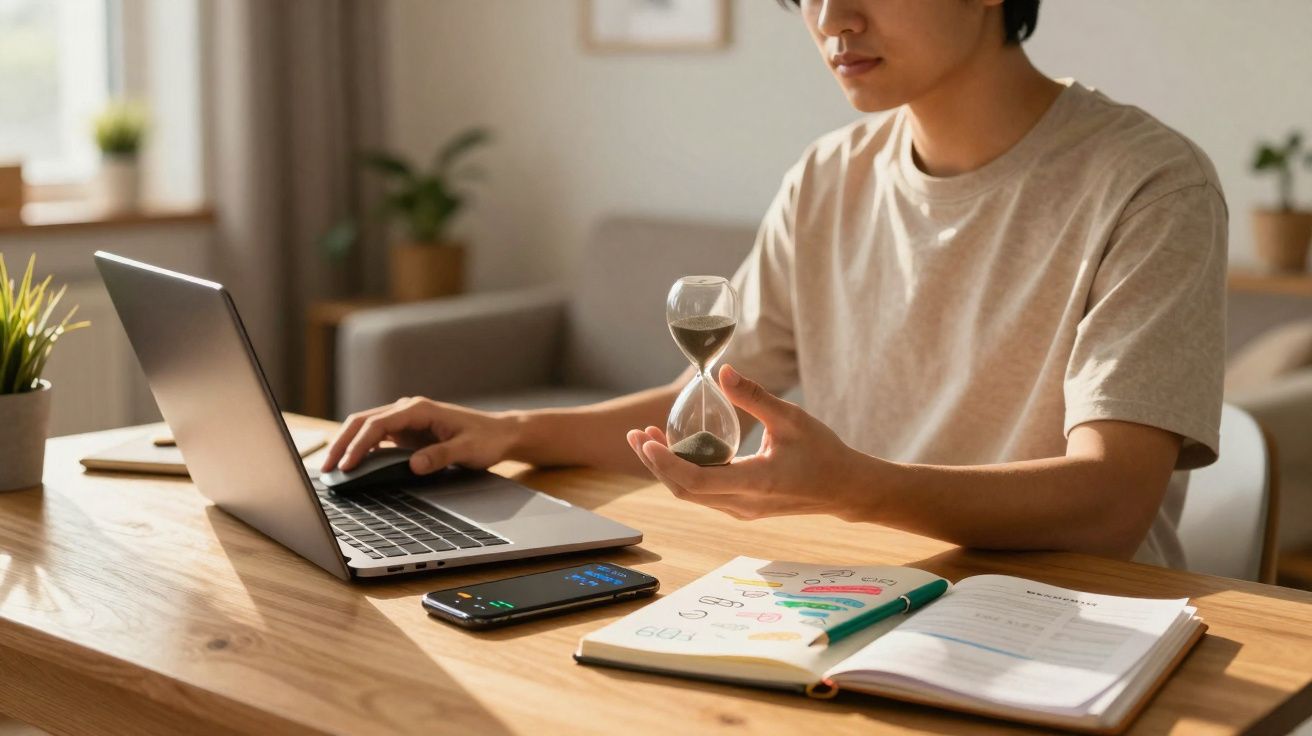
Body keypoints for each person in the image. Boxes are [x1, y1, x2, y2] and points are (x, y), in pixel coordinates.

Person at [322, 0, 1225, 568]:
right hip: (856, 587)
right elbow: (702, 407)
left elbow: (1110, 506)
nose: (833, 16)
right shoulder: (829, 176)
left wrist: (856, 487)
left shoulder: (1147, 183)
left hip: (1069, 619)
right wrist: (513, 429)